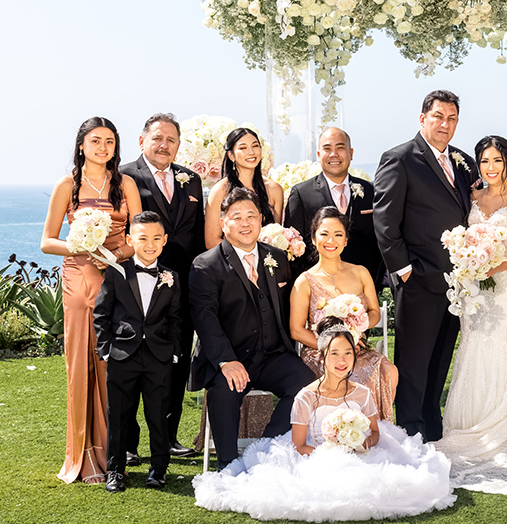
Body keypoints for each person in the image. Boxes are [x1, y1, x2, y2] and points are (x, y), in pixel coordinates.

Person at [192, 318, 456, 521]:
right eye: (334, 354)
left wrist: (363, 444)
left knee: (393, 485)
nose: (342, 361)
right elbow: (299, 445)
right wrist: (331, 452)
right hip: (315, 455)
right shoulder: (305, 397)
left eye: (348, 354)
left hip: (360, 454)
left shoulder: (362, 394)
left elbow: (375, 432)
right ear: (321, 358)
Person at [435, 135, 507, 492]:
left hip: (506, 285)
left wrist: (503, 262)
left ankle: (503, 427)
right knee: (472, 348)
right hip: (474, 287)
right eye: (484, 161)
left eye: (497, 160)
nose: (490, 167)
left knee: (501, 349)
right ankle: (468, 423)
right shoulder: (473, 198)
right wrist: (471, 260)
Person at [41, 116, 143, 484]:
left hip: (116, 276)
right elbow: (47, 241)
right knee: (82, 364)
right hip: (79, 279)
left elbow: (140, 234)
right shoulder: (66, 185)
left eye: (110, 142)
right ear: (81, 144)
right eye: (96, 140)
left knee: (112, 367)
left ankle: (113, 455)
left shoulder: (126, 183)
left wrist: (119, 254)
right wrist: (80, 244)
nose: (103, 148)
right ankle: (83, 458)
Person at [373, 89, 478, 441]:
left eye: (451, 118)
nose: (444, 124)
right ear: (423, 118)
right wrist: (404, 271)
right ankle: (409, 432)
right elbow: (385, 223)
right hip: (418, 279)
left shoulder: (464, 161)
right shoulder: (400, 158)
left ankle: (432, 428)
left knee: (439, 361)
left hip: (456, 282)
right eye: (438, 117)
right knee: (414, 364)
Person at [188, 187, 316, 470]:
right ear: (224, 223)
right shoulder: (205, 264)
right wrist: (226, 360)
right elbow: (205, 319)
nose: (245, 223)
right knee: (223, 390)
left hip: (272, 355)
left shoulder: (277, 258)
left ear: (261, 219)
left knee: (306, 384)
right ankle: (227, 464)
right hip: (229, 356)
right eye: (236, 217)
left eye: (251, 216)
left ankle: (266, 451)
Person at [121, 113, 204, 459]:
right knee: (133, 364)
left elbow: (197, 232)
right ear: (142, 141)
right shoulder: (125, 175)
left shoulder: (192, 179)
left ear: (178, 145)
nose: (164, 145)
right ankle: (127, 445)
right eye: (157, 138)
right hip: (138, 287)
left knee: (177, 360)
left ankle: (168, 437)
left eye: (171, 139)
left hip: (182, 287)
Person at [93, 211, 182, 493]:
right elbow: (101, 314)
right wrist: (106, 351)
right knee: (119, 415)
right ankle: (116, 471)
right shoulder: (117, 273)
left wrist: (175, 352)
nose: (150, 244)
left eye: (156, 238)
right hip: (122, 355)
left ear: (164, 240)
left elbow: (177, 319)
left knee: (158, 415)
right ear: (131, 240)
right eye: (143, 238)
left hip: (158, 357)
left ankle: (159, 469)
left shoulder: (171, 277)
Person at [289, 207, 398, 421]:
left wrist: (358, 329)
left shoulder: (360, 272)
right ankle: (343, 431)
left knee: (388, 369)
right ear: (313, 238)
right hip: (320, 353)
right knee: (352, 375)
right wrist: (330, 346)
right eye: (324, 234)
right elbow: (296, 330)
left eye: (338, 234)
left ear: (346, 240)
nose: (331, 240)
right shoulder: (305, 281)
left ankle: (375, 431)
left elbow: (374, 312)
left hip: (357, 349)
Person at [284, 127, 383, 288]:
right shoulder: (301, 194)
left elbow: (379, 243)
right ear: (318, 155)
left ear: (351, 153)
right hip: (317, 289)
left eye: (340, 148)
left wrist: (373, 283)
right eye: (327, 149)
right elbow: (294, 250)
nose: (333, 154)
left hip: (362, 287)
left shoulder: (371, 191)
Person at [204, 127, 283, 250]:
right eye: (243, 148)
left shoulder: (274, 189)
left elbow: (277, 234)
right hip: (231, 264)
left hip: (267, 263)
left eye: (255, 146)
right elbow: (211, 240)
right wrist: (247, 256)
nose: (251, 152)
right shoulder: (220, 191)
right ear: (231, 155)